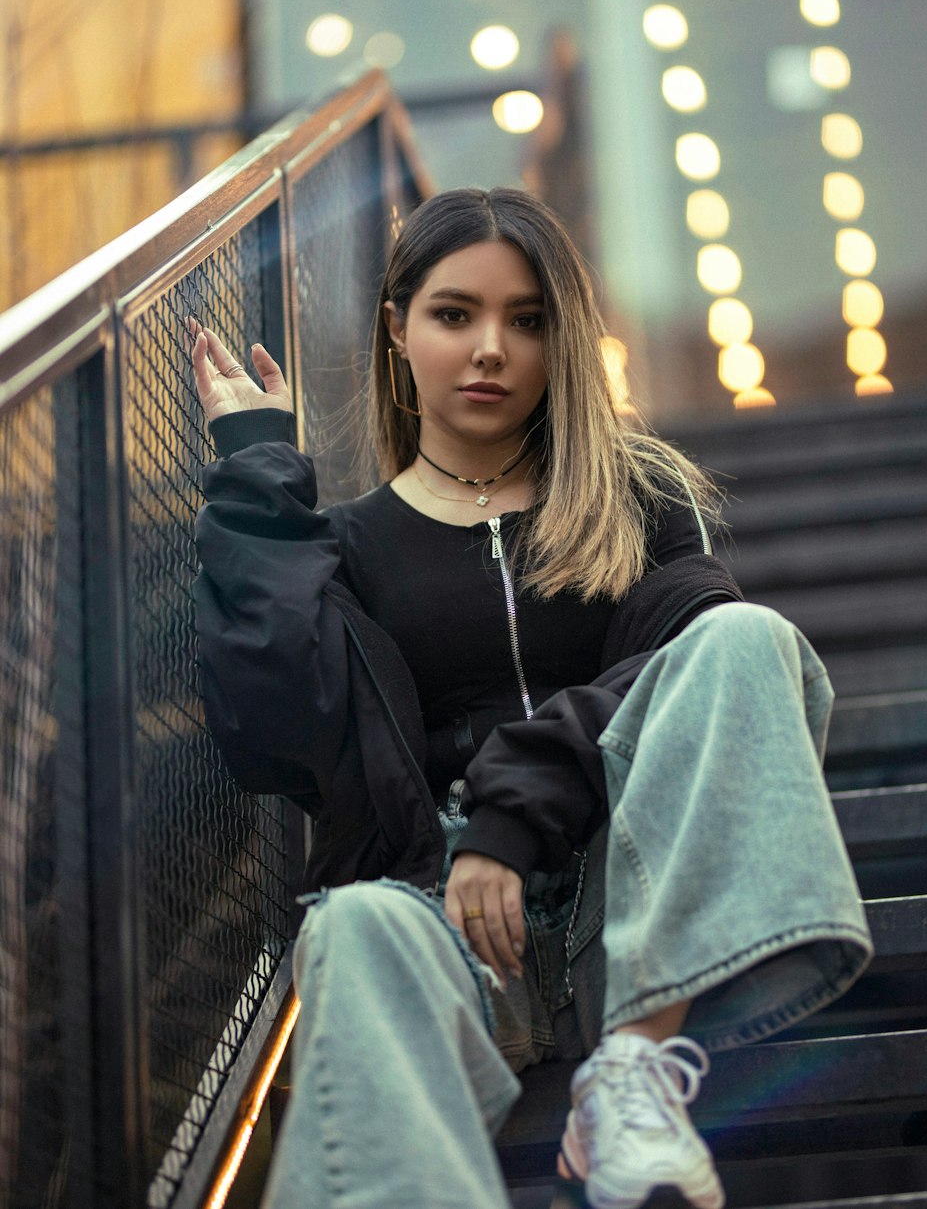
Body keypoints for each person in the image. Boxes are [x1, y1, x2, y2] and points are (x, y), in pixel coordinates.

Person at [190, 187, 873, 1209]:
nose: (490, 349)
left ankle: (634, 1073)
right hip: (444, 929)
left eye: (528, 319)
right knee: (352, 928)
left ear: (564, 340)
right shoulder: (348, 544)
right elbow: (275, 734)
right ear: (398, 328)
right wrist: (257, 482)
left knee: (745, 638)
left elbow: (682, 674)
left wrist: (510, 815)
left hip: (631, 909)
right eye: (455, 313)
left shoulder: (641, 499)